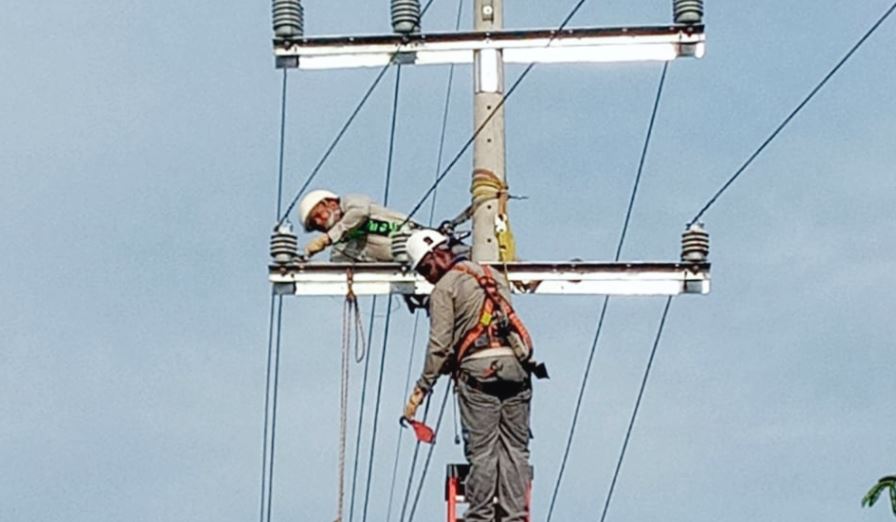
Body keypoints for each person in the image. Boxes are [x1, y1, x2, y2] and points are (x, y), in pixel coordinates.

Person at [401, 229, 536, 522]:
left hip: (479, 376)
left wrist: (420, 391)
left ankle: (480, 517)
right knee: (515, 451)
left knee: (483, 452)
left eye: (425, 269)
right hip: (518, 371)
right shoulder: (491, 275)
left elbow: (439, 347)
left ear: (435, 257)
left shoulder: (444, 289)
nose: (427, 276)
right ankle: (515, 517)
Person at [297, 189, 419, 262]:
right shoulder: (341, 248)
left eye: (318, 216)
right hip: (405, 264)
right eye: (315, 225)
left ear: (330, 203)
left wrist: (328, 238)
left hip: (419, 241)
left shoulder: (349, 202)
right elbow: (339, 267)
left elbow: (360, 213)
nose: (319, 223)